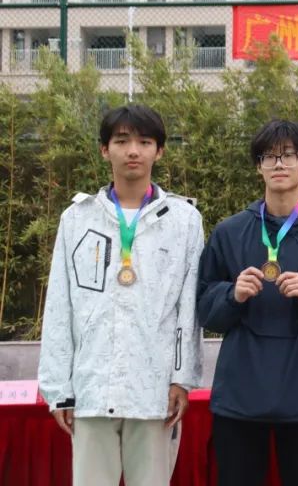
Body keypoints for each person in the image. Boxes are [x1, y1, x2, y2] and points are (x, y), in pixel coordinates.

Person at [38, 104, 204, 486]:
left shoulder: (183, 220)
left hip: (154, 389)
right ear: (104, 149)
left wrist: (181, 379)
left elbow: (188, 309)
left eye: (144, 142)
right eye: (122, 141)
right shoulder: (77, 218)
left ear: (159, 151)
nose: (133, 151)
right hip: (92, 386)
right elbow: (60, 305)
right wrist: (59, 389)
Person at [196, 120, 298, 486]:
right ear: (259, 166)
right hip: (241, 394)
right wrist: (232, 294)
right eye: (269, 156)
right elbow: (205, 311)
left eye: (289, 155)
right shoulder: (230, 231)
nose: (279, 164)